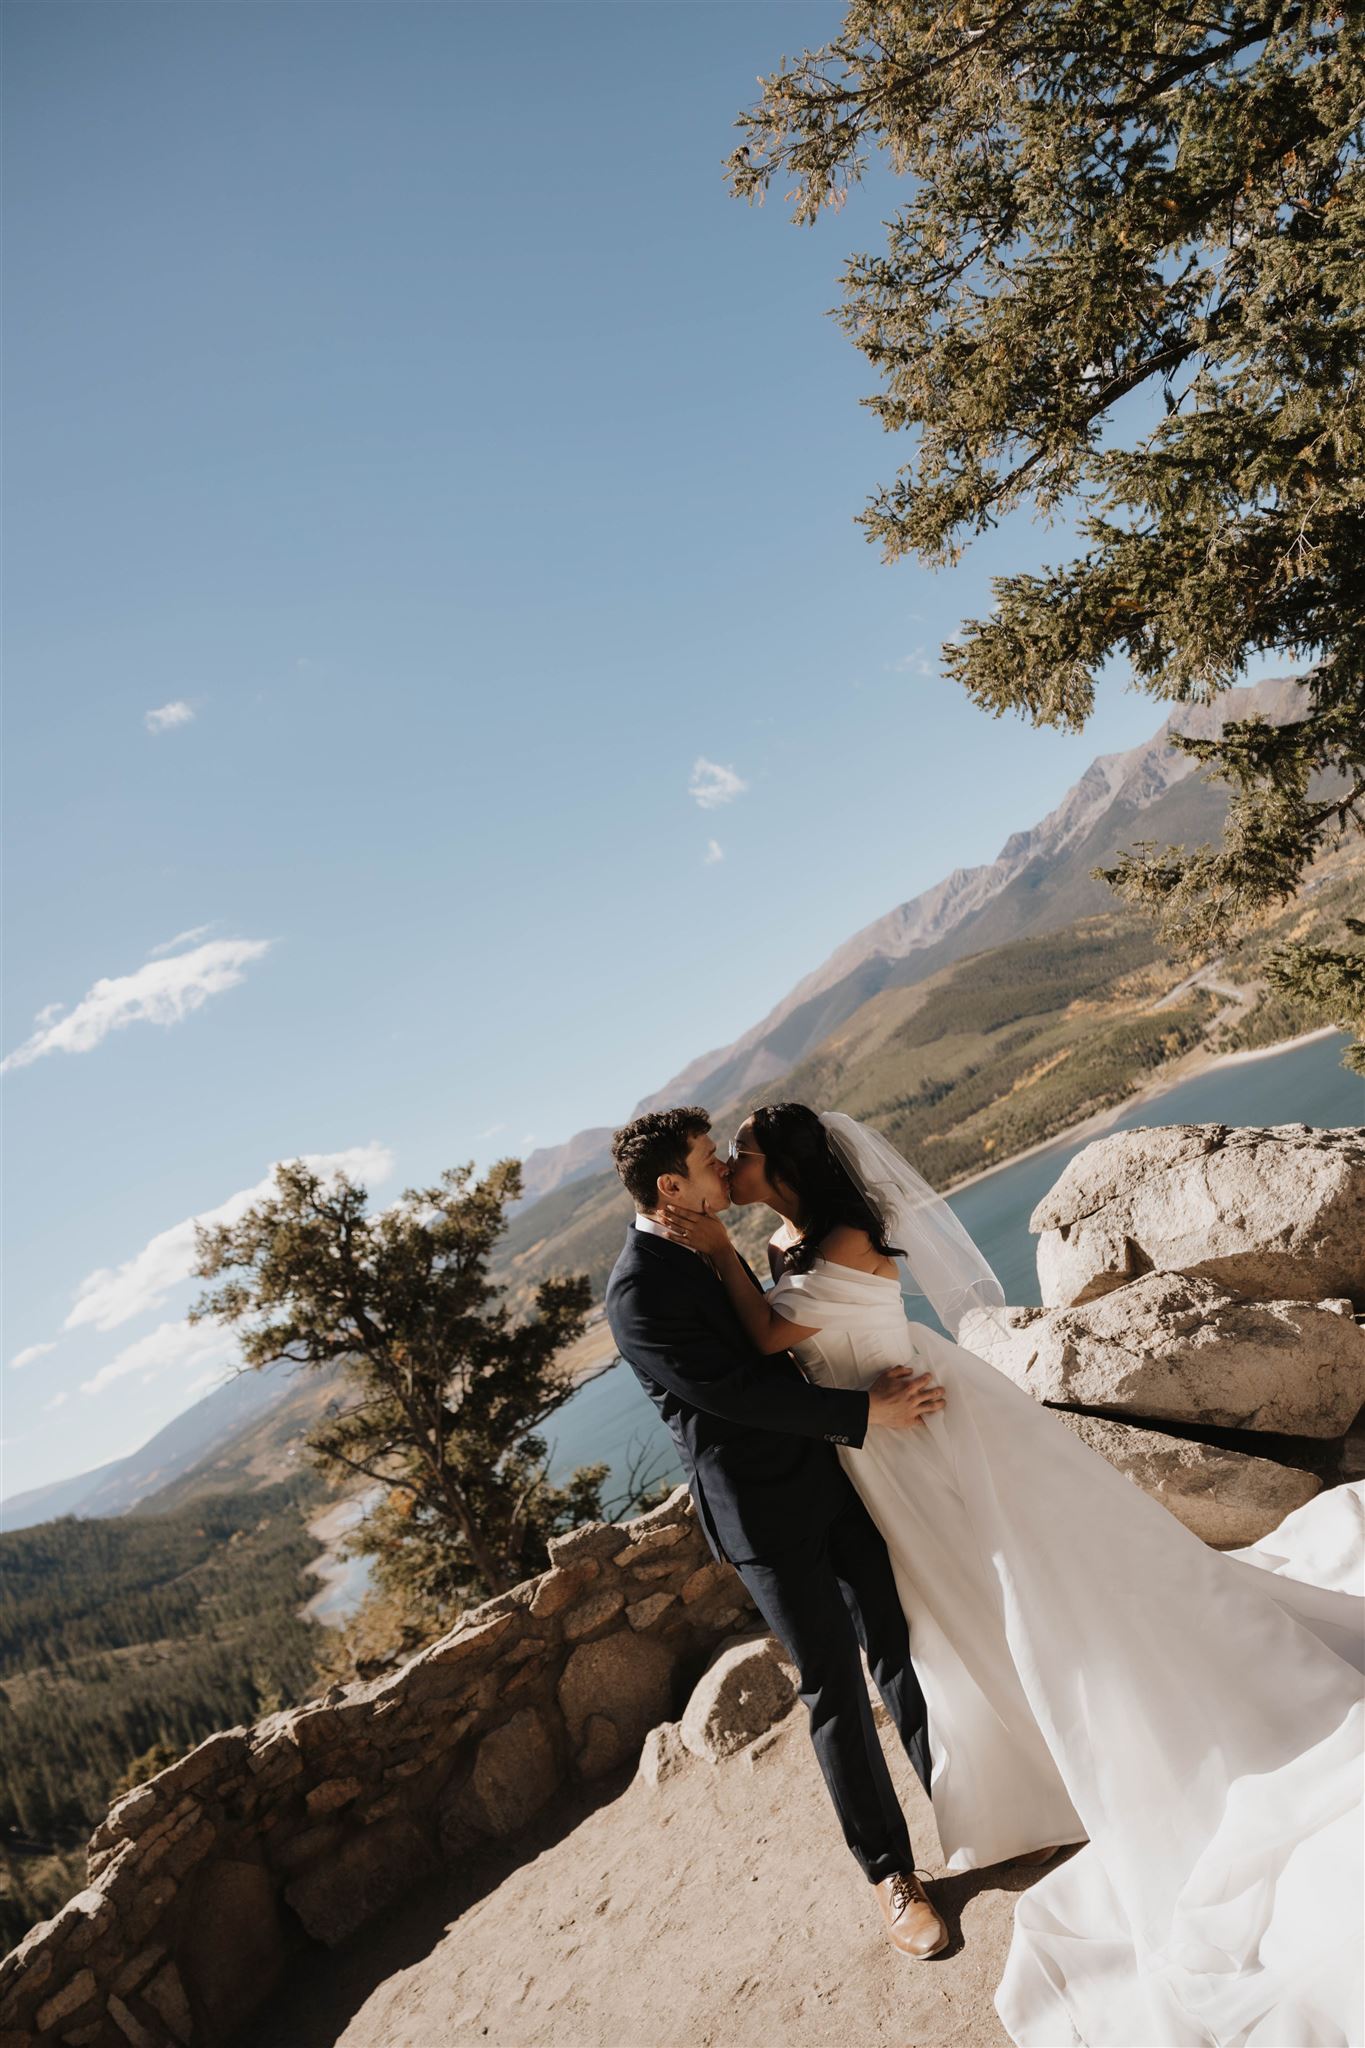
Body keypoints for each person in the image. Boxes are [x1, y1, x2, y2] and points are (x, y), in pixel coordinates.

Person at [660, 1099, 1365, 2048]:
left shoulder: (843, 1234)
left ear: (780, 1165)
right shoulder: (791, 1237)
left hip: (925, 1430)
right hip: (879, 1445)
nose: (730, 1167)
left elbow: (767, 1342)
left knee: (1034, 1587)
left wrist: (711, 1253)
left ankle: (1121, 1734)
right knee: (954, 1613)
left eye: (740, 1154)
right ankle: (1038, 1767)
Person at [604, 1105, 1039, 1960]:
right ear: (670, 1187)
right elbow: (735, 1391)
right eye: (706, 1158)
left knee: (899, 1650)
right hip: (762, 1514)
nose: (722, 1166)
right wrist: (863, 1410)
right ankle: (891, 1875)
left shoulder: (712, 1246)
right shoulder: (638, 1289)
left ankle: (976, 1821)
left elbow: (781, 1334)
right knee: (834, 1691)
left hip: (834, 1483)